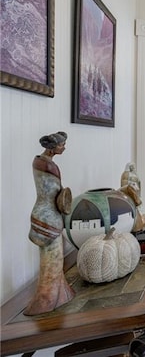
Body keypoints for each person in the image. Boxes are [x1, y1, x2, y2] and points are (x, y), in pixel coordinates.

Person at [25, 131, 75, 315]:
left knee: (53, 260)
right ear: (53, 147)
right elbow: (56, 195)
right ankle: (46, 300)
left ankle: (59, 295)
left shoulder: (38, 161)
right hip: (48, 217)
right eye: (62, 144)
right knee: (51, 260)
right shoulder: (48, 166)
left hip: (44, 214)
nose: (64, 147)